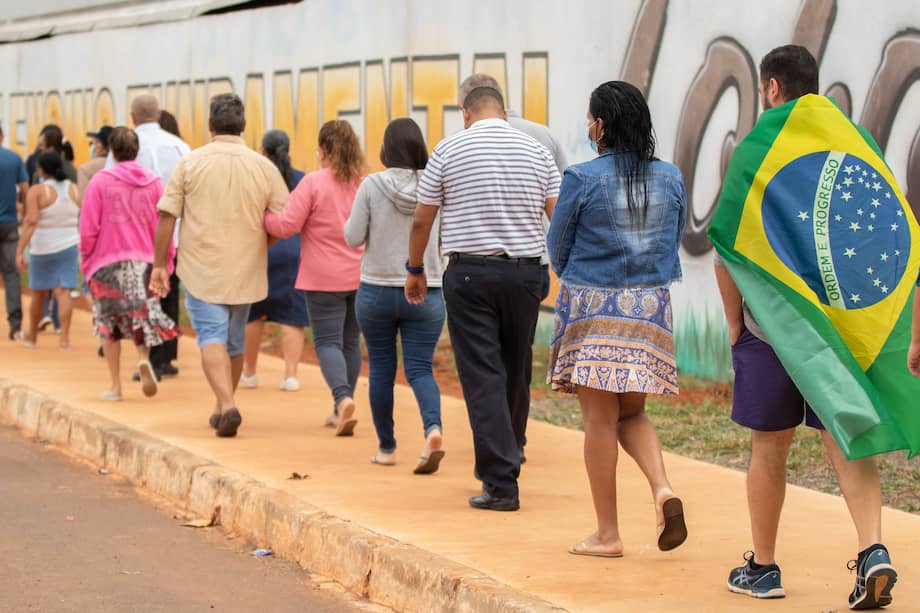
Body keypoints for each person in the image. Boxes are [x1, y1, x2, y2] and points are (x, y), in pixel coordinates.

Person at [714, 45, 900, 608]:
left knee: (769, 448)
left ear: (771, 88)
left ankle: (764, 569)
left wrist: (733, 326)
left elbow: (726, 244)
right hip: (839, 329)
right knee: (847, 438)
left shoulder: (757, 147)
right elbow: (887, 224)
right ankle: (873, 550)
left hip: (772, 329)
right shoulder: (851, 138)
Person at [546, 81, 688, 557]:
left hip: (594, 305)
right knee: (633, 412)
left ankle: (607, 534)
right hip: (649, 309)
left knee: (600, 420)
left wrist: (583, 277)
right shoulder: (670, 177)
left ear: (600, 125)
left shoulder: (582, 178)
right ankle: (663, 488)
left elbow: (556, 247)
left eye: (590, 119)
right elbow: (673, 243)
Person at [407, 86, 560, 511]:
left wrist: (416, 268)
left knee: (482, 373)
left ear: (465, 113)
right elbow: (558, 213)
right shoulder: (536, 150)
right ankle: (508, 459)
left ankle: (500, 482)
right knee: (516, 368)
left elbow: (423, 218)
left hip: (470, 274)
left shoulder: (449, 149)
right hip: (527, 273)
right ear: (504, 112)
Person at [150, 93, 288, 438]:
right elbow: (283, 220)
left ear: (210, 125)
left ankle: (226, 405)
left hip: (201, 267)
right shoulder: (264, 166)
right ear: (244, 127)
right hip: (246, 269)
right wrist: (261, 245)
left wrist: (158, 265)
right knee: (234, 341)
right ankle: (223, 403)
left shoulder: (191, 163)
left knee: (210, 335)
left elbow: (167, 216)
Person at [457, 73, 569, 464]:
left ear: (467, 108)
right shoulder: (544, 138)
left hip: (474, 268)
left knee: (484, 362)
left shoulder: (461, 142)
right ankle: (515, 439)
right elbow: (561, 205)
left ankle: (499, 447)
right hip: (530, 265)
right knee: (518, 354)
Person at [345, 118, 446, 473]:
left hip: (376, 291)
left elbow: (353, 236)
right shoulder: (435, 185)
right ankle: (433, 429)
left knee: (382, 369)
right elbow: (444, 236)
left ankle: (387, 447)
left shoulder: (372, 185)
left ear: (387, 149)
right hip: (427, 289)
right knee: (420, 368)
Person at [264, 120, 365, 436]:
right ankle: (340, 409)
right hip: (360, 276)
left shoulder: (312, 183)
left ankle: (342, 397)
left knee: (326, 342)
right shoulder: (364, 184)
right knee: (350, 341)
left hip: (322, 278)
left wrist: (265, 217)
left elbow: (287, 226)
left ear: (322, 151)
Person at [80, 127, 177, 400]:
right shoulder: (154, 182)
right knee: (141, 317)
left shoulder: (100, 182)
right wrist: (165, 260)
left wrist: (86, 258)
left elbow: (89, 227)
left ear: (111, 150)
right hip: (144, 261)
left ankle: (115, 386)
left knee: (109, 326)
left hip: (106, 261)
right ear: (137, 151)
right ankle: (144, 357)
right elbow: (163, 224)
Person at [122, 94, 191, 380]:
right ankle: (165, 356)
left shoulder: (125, 145)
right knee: (169, 292)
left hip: (136, 235)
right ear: (159, 113)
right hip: (174, 233)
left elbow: (112, 184)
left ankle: (146, 358)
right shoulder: (180, 146)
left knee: (142, 295)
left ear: (133, 117)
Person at [240, 129, 308, 391]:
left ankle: (249, 372)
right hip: (294, 251)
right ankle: (290, 375)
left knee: (253, 314)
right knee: (292, 317)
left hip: (262, 249)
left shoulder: (255, 179)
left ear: (263, 151)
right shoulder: (302, 180)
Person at [15, 152, 79, 350]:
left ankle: (32, 336)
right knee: (64, 291)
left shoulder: (38, 190)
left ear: (40, 169)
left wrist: (20, 250)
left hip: (43, 247)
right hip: (69, 244)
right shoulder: (74, 189)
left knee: (38, 293)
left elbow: (31, 220)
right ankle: (65, 339)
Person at [0, 125, 28, 340]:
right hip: (9, 222)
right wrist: (25, 212)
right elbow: (25, 189)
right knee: (11, 274)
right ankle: (16, 324)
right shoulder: (14, 158)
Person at [77, 125, 112, 201]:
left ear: (100, 145)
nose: (92, 147)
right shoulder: (124, 166)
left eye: (92, 143)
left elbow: (84, 202)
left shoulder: (85, 169)